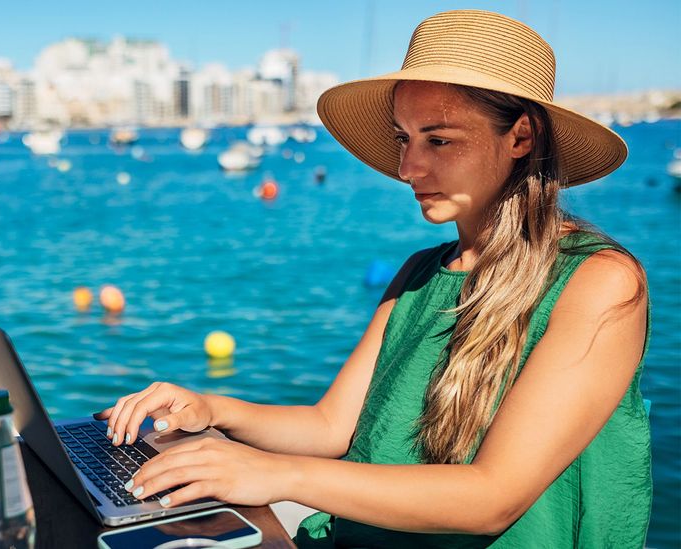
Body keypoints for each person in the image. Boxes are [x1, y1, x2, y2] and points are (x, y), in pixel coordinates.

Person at [96, 10, 651, 548]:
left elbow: (492, 498)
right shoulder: (420, 273)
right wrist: (212, 409)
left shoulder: (598, 283)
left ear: (522, 137)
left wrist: (274, 474)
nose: (408, 168)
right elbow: (330, 425)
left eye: (438, 140)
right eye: (402, 138)